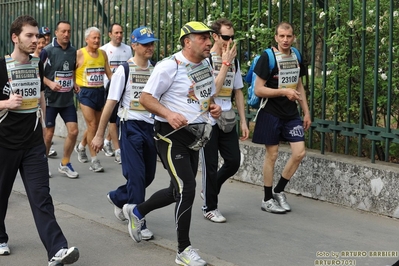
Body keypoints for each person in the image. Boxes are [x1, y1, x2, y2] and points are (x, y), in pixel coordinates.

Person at [122, 21, 221, 266]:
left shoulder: (206, 64)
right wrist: (168, 114)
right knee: (187, 188)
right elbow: (146, 98)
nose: (209, 42)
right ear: (187, 42)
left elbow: (203, 96)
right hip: (169, 136)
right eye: (203, 38)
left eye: (209, 37)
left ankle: (136, 211)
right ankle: (183, 250)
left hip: (195, 136)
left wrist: (213, 107)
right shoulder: (169, 66)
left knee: (176, 190)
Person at [0, 15, 79, 265]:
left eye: (37, 36)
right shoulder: (1, 66)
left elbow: (41, 94)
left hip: (33, 143)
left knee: (41, 196)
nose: (36, 40)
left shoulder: (37, 64)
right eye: (29, 36)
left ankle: (57, 249)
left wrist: (46, 122)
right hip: (4, 143)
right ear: (15, 38)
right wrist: (5, 103)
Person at [91, 26, 159, 240]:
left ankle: (118, 197)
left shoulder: (156, 69)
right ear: (134, 45)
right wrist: (100, 135)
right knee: (137, 176)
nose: (150, 47)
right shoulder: (124, 70)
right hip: (130, 127)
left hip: (151, 128)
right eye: (145, 43)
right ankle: (138, 220)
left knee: (148, 176)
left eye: (152, 43)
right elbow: (110, 103)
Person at [252, 22, 311, 214]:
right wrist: (283, 91)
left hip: (291, 114)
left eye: (289, 36)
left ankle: (279, 191)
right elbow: (258, 89)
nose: (285, 40)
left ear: (293, 37)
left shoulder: (296, 55)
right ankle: (267, 198)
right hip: (270, 112)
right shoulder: (267, 57)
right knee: (273, 155)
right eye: (282, 36)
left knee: (299, 152)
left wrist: (306, 111)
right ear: (276, 37)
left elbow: (298, 84)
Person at [200, 18, 249, 223]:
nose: (230, 41)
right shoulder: (206, 62)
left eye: (232, 37)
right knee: (210, 165)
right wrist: (225, 63)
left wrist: (244, 121)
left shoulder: (234, 61)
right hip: (209, 120)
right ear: (215, 36)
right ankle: (210, 207)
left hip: (228, 119)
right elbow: (211, 91)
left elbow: (237, 91)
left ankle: (210, 189)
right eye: (226, 37)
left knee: (233, 161)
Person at [40, 20, 80, 179]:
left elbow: (72, 69)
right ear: (56, 33)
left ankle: (65, 163)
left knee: (74, 131)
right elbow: (37, 73)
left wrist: (75, 82)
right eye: (63, 31)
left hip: (67, 100)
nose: (66, 34)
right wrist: (49, 83)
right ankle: (42, 165)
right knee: (48, 135)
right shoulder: (47, 51)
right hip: (50, 100)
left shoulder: (73, 51)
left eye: (69, 31)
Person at [74, 27, 112, 172]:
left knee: (95, 127)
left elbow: (108, 73)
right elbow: (71, 70)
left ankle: (81, 146)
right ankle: (94, 160)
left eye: (98, 38)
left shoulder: (103, 53)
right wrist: (74, 83)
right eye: (93, 38)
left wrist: (118, 84)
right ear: (86, 39)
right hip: (85, 92)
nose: (97, 40)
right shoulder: (79, 53)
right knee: (92, 124)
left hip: (99, 91)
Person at [100, 23, 133, 163]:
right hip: (109, 89)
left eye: (121, 32)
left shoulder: (128, 49)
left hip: (125, 90)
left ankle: (108, 141)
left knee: (120, 119)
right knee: (113, 120)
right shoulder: (104, 50)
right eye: (116, 33)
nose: (119, 35)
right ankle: (118, 150)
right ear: (110, 34)